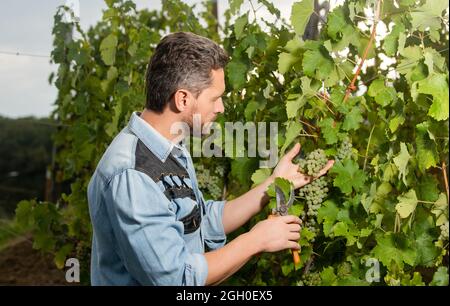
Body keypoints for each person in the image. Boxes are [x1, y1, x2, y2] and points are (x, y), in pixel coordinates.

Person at [87, 31, 334, 286]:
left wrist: (273, 184)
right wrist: (255, 240)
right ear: (183, 99)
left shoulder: (171, 148)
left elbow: (201, 221)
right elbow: (177, 279)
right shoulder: (133, 175)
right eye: (215, 98)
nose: (221, 108)